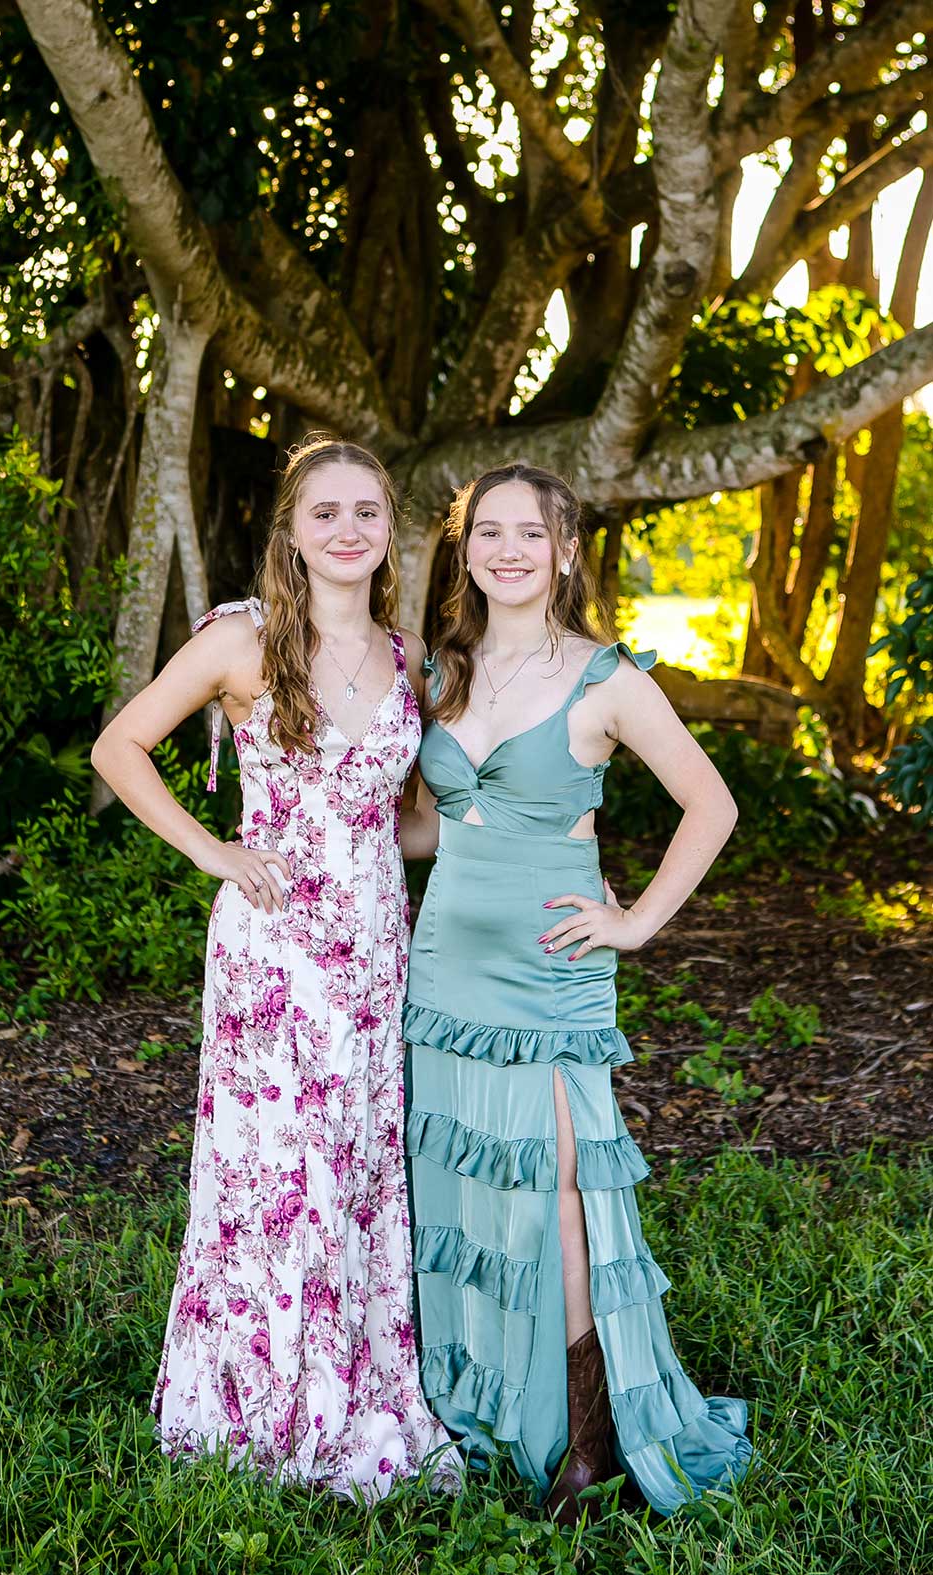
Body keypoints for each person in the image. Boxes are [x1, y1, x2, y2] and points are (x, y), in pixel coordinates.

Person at [91, 435, 460, 1499]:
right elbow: (120, 747)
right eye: (326, 513)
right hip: (274, 951)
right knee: (269, 1172)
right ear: (290, 533)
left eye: (368, 513)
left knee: (352, 1168)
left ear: (390, 532)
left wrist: (521, 839)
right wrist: (215, 849)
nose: (349, 530)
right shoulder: (241, 642)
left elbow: (416, 828)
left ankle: (353, 1392)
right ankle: (252, 1406)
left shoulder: (407, 662)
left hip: (376, 948)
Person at [399, 461, 752, 1523]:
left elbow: (711, 804)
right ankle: (489, 1407)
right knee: (465, 1185)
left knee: (559, 1191)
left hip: (552, 970)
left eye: (531, 533)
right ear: (465, 552)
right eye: (488, 533)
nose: (509, 550)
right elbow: (424, 828)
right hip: (446, 963)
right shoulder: (443, 674)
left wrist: (635, 921)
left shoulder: (609, 679)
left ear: (564, 552)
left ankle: (592, 1436)